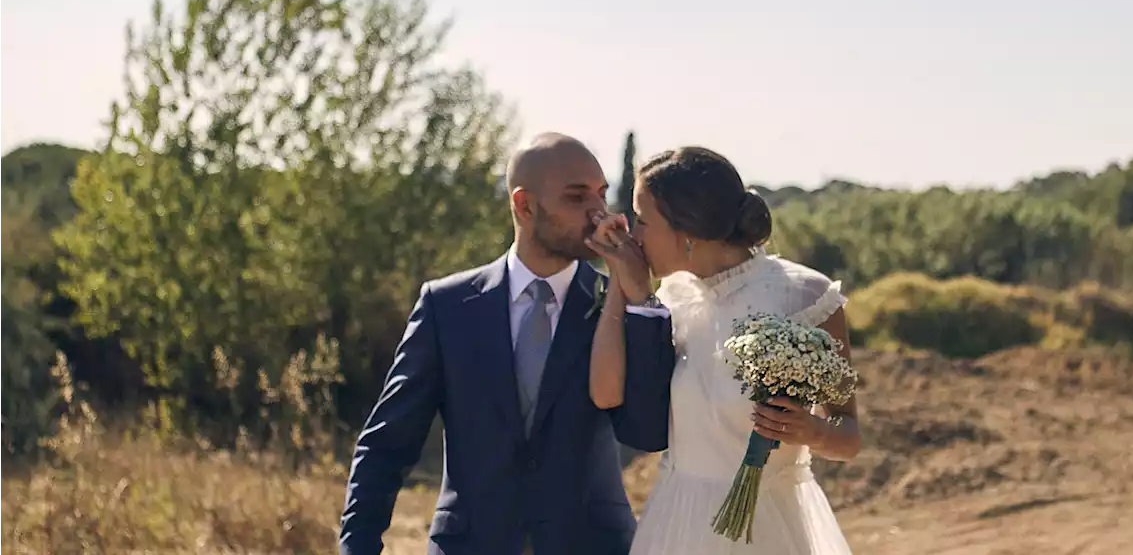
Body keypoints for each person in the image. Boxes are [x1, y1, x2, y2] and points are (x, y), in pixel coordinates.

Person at [339, 132, 676, 555]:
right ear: (524, 205)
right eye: (577, 198)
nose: (598, 213)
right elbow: (387, 444)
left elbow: (645, 431)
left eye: (601, 195)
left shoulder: (621, 306)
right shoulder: (446, 307)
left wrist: (636, 298)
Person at [586, 146, 862, 555]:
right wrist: (632, 290)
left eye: (643, 221)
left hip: (768, 530)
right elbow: (632, 408)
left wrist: (812, 430)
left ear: (688, 233)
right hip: (676, 523)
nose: (636, 235)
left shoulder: (806, 296)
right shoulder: (671, 299)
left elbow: (849, 436)